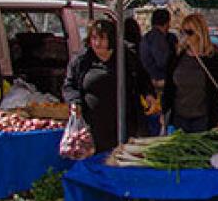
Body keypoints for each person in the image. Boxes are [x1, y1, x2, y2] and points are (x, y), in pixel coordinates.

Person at [63, 18, 155, 154]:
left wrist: (148, 94)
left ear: (111, 39)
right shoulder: (81, 60)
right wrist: (74, 102)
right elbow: (70, 85)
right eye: (94, 38)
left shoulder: (127, 56)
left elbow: (142, 78)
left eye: (102, 38)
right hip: (95, 126)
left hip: (127, 122)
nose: (97, 43)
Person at [163, 13, 218, 133]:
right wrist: (164, 111)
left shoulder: (215, 57)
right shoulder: (177, 56)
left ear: (200, 33)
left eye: (189, 32)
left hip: (205, 117)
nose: (185, 36)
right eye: (182, 32)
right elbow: (169, 86)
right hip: (179, 116)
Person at [139, 9, 176, 89]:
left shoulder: (147, 37)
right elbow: (163, 62)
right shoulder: (158, 39)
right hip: (159, 81)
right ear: (167, 23)